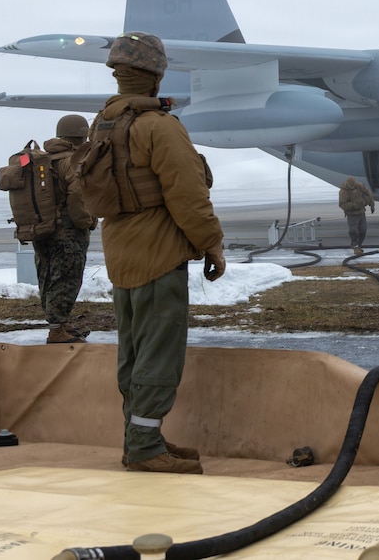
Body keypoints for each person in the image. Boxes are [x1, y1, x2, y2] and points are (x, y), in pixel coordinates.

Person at [95, 31, 226, 474]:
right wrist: (212, 243)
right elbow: (188, 196)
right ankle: (146, 448)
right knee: (159, 354)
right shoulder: (158, 127)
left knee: (133, 353)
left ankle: (140, 439)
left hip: (121, 254)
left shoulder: (106, 123)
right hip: (158, 255)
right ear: (155, 75)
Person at [34, 114, 97, 344]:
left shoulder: (44, 159)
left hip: (42, 228)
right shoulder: (72, 161)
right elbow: (78, 196)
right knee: (67, 278)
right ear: (82, 135)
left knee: (47, 276)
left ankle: (58, 324)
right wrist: (87, 221)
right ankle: (57, 329)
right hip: (67, 232)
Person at [338, 176, 375, 254]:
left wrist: (372, 204)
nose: (352, 187)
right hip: (352, 215)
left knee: (363, 230)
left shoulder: (359, 186)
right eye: (351, 186)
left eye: (353, 185)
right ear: (347, 184)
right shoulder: (343, 192)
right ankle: (355, 246)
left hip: (361, 213)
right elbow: (342, 204)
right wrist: (354, 205)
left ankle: (359, 245)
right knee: (353, 231)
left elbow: (368, 193)